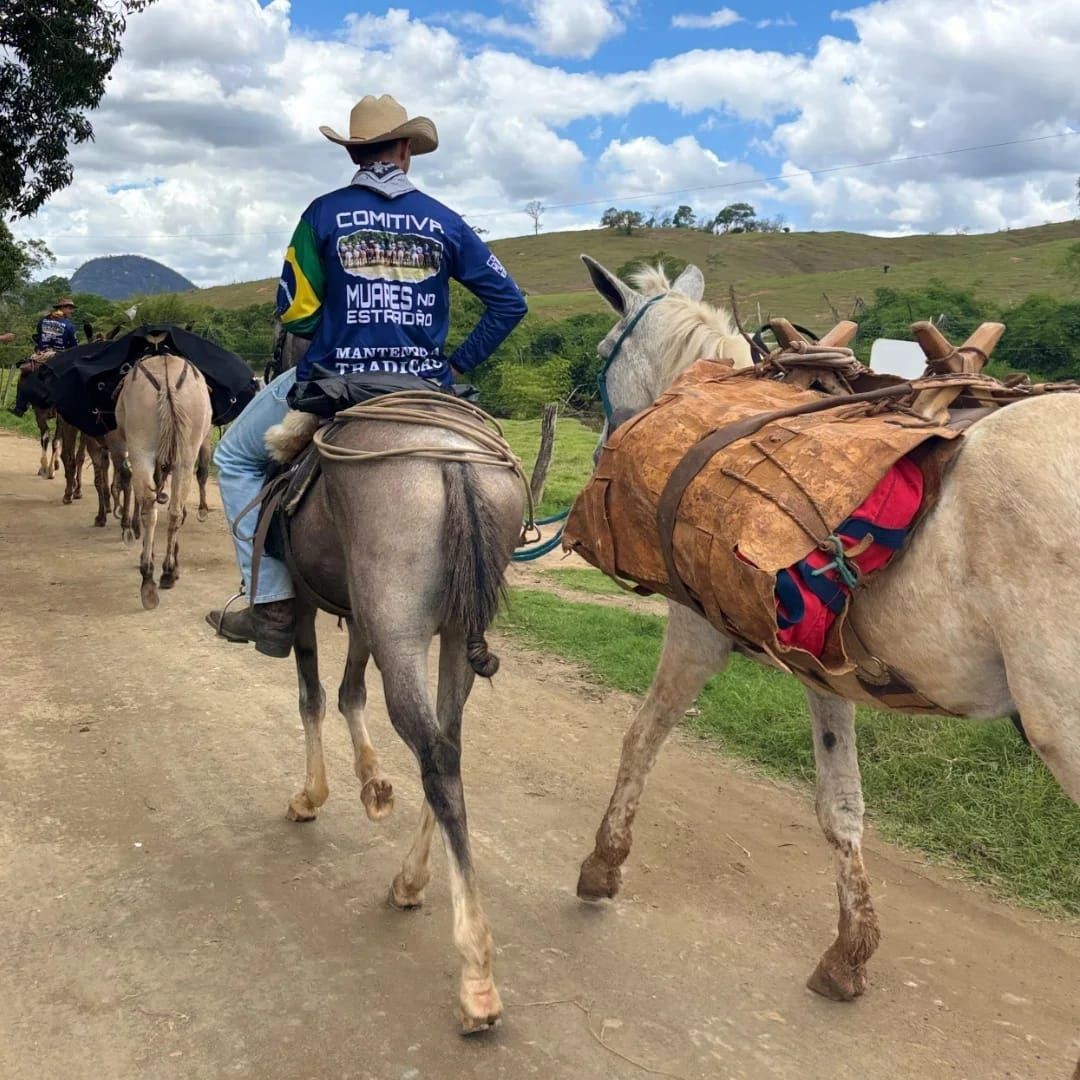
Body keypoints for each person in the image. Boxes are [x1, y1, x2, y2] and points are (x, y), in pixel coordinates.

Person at [206, 95, 527, 657]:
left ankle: (272, 604)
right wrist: (454, 365)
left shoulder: (322, 214)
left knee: (233, 457)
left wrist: (340, 320)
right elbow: (509, 302)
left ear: (354, 152)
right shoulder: (445, 220)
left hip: (336, 380)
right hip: (423, 384)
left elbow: (295, 312)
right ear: (406, 150)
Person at [9, 297, 77, 416]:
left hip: (41, 354)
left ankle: (20, 407)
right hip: (59, 355)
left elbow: (39, 335)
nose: (72, 311)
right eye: (70, 308)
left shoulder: (43, 320)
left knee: (24, 374)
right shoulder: (69, 326)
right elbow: (73, 345)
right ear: (62, 308)